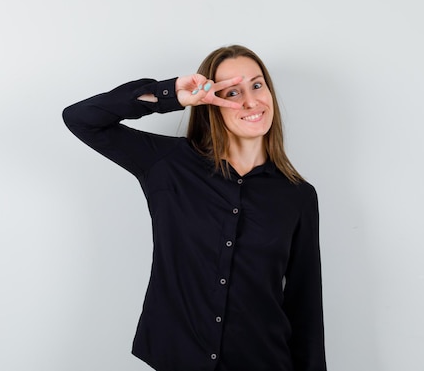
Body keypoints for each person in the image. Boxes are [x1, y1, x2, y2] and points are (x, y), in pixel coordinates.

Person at [62, 45, 327, 371]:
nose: (250, 101)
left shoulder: (297, 195)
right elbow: (81, 119)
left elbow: (305, 308)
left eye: (257, 85)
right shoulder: (168, 165)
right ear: (211, 102)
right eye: (232, 91)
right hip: (176, 359)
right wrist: (170, 95)